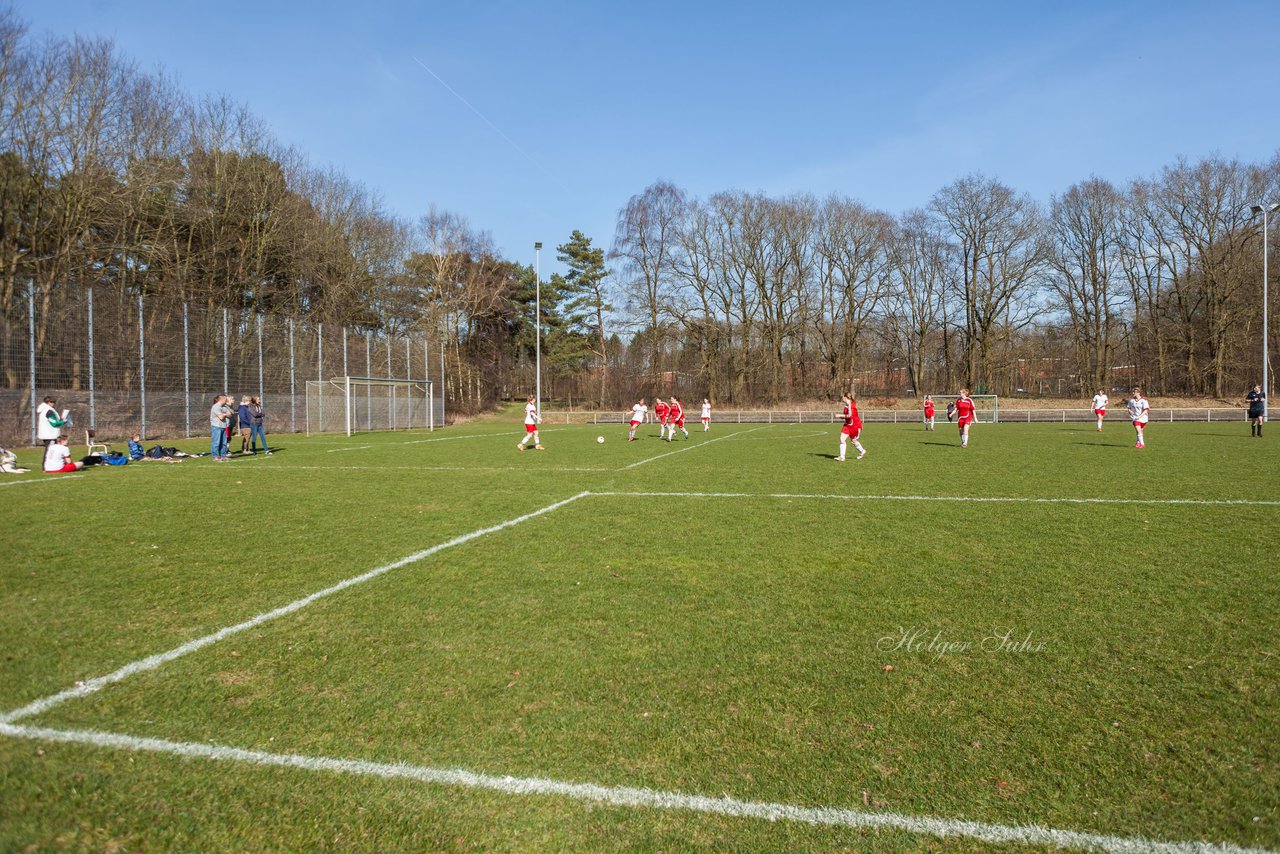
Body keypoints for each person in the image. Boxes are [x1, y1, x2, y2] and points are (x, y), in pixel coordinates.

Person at [836, 391, 866, 461]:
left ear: (845, 397)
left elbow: (849, 416)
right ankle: (842, 457)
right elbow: (848, 417)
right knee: (842, 439)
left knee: (853, 440)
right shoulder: (847, 405)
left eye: (842, 397)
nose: (842, 398)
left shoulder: (851, 405)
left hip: (853, 425)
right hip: (848, 425)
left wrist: (839, 415)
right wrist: (842, 417)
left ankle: (861, 451)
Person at [210, 394, 233, 461]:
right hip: (216, 427)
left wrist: (224, 414)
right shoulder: (216, 407)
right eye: (225, 399)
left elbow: (230, 414)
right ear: (221, 399)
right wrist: (225, 414)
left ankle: (223, 456)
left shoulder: (224, 407)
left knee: (224, 442)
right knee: (216, 442)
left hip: (223, 426)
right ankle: (215, 456)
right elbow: (221, 417)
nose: (226, 401)